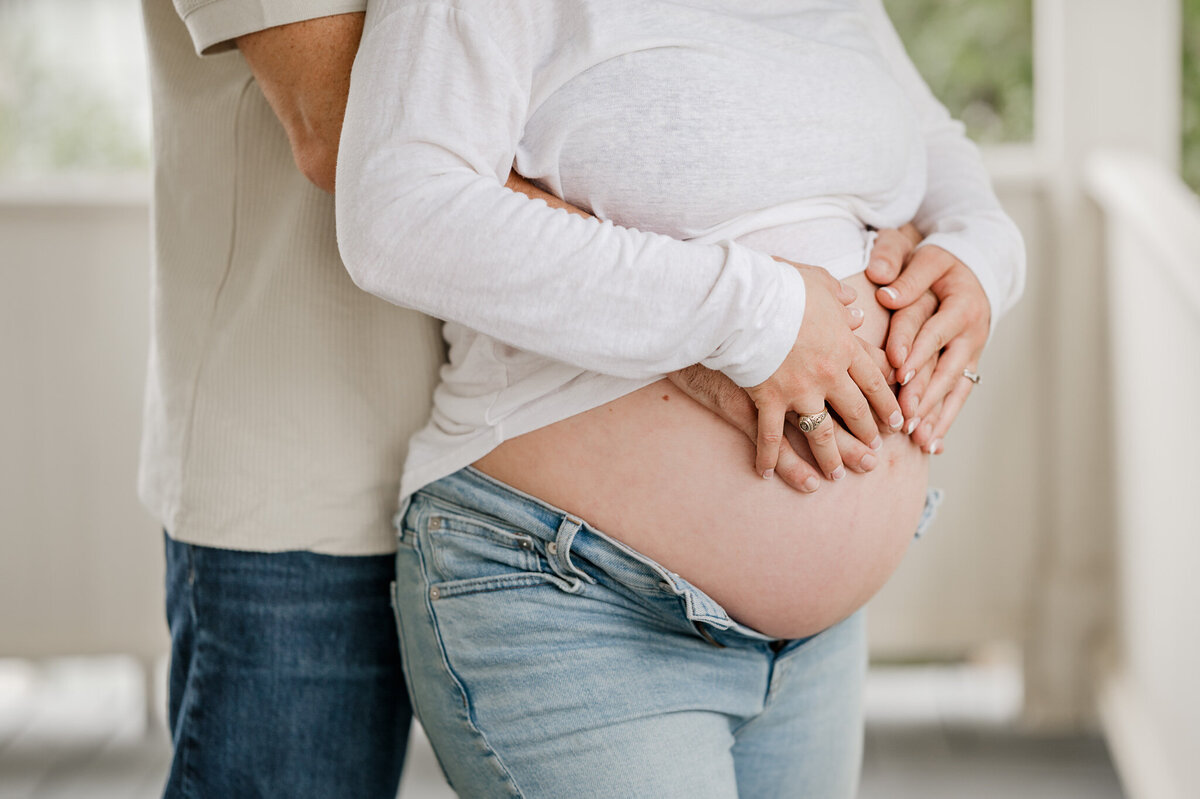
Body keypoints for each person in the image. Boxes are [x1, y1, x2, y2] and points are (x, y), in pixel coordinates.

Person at [140, 2, 930, 796]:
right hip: (320, 458)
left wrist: (958, 257)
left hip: (571, 482)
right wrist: (730, 329)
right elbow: (344, 127)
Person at [334, 0, 1025, 797]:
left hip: (815, 646)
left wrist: (982, 256)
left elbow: (935, 145)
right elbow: (399, 209)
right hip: (576, 595)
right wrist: (754, 314)